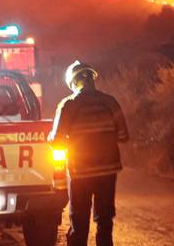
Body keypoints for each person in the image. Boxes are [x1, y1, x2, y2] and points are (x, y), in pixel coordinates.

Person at [49, 60, 130, 246]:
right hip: (108, 171)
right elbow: (124, 136)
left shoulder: (68, 105)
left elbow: (57, 141)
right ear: (93, 79)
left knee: (79, 221)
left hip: (80, 172)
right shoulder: (110, 102)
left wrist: (50, 138)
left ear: (72, 82)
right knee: (104, 220)